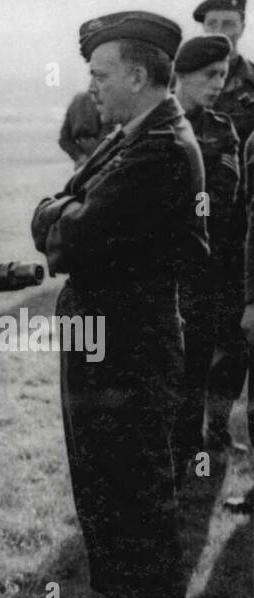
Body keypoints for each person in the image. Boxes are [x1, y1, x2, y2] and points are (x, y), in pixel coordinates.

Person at [32, 10, 205, 598]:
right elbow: (62, 208)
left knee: (135, 490)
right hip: (102, 333)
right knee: (102, 483)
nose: (93, 87)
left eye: (102, 75)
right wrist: (61, 216)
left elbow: (72, 230)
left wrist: (59, 218)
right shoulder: (129, 134)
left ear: (138, 74)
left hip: (131, 340)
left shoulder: (163, 144)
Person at [171, 34, 242, 474]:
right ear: (180, 76)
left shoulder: (221, 129)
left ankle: (186, 460)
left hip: (199, 271)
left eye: (222, 74)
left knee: (195, 366)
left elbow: (220, 200)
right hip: (155, 272)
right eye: (208, 75)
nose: (218, 83)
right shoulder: (155, 122)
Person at [196, 0, 254, 450]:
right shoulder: (188, 80)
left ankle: (216, 426)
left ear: (243, 26)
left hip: (239, 240)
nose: (219, 31)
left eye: (228, 24)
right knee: (188, 333)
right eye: (211, 23)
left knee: (233, 340)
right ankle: (181, 429)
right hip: (193, 239)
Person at [59, 91, 113, 165]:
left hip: (91, 156)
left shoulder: (76, 101)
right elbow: (64, 139)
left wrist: (80, 156)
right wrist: (81, 157)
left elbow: (64, 139)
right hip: (97, 156)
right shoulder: (100, 100)